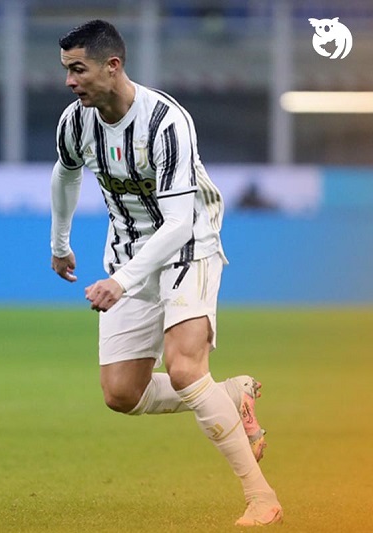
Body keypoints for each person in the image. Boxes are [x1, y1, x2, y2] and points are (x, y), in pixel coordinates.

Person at [49, 20, 282, 527]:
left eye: (78, 69)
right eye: (66, 69)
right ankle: (230, 394)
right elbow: (65, 174)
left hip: (188, 245)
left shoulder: (165, 122)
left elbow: (177, 223)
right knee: (120, 394)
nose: (69, 81)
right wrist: (60, 244)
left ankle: (261, 497)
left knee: (184, 369)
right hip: (128, 252)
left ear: (113, 66)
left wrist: (121, 282)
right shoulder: (75, 121)